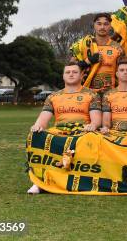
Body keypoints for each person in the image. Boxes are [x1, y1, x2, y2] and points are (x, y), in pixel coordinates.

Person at [28, 61, 102, 194]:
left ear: (81, 76)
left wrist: (93, 125)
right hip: (60, 130)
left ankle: (82, 181)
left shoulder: (92, 95)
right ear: (63, 76)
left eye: (75, 72)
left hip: (82, 131)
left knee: (90, 139)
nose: (71, 74)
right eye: (68, 72)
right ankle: (38, 182)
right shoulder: (53, 97)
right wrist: (37, 125)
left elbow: (96, 119)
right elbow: (43, 118)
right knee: (35, 136)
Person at [70, 13, 123, 96]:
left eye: (106, 24)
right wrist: (88, 61)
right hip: (86, 94)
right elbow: (70, 69)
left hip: (110, 94)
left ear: (110, 26)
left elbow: (125, 71)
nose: (102, 27)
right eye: (99, 24)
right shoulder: (83, 44)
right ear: (94, 25)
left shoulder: (118, 48)